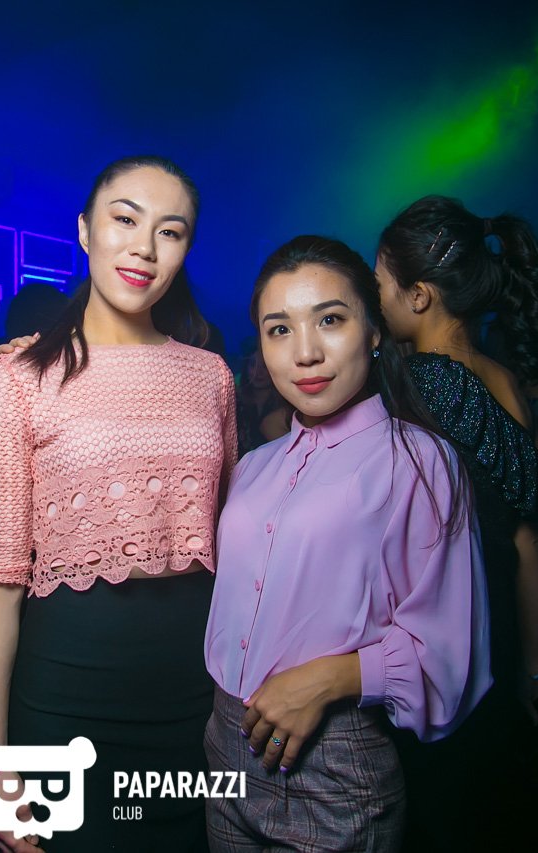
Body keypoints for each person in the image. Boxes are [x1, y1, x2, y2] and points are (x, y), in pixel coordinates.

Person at [0, 155, 237, 852]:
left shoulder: (211, 376)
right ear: (86, 230)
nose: (144, 247)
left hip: (191, 691)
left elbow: (234, 545)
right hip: (68, 690)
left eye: (170, 231)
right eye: (125, 220)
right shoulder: (20, 376)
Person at [203, 235, 489, 852]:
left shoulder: (419, 461)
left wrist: (333, 678)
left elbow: (450, 653)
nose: (305, 353)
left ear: (375, 331)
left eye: (330, 320)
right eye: (279, 330)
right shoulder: (254, 467)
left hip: (330, 763)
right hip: (224, 748)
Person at [375, 196, 538, 851]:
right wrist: (534, 667)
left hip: (433, 640)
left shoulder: (411, 383)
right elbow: (529, 542)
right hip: (499, 629)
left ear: (419, 295)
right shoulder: (508, 382)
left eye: (380, 286)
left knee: (434, 815)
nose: (376, 301)